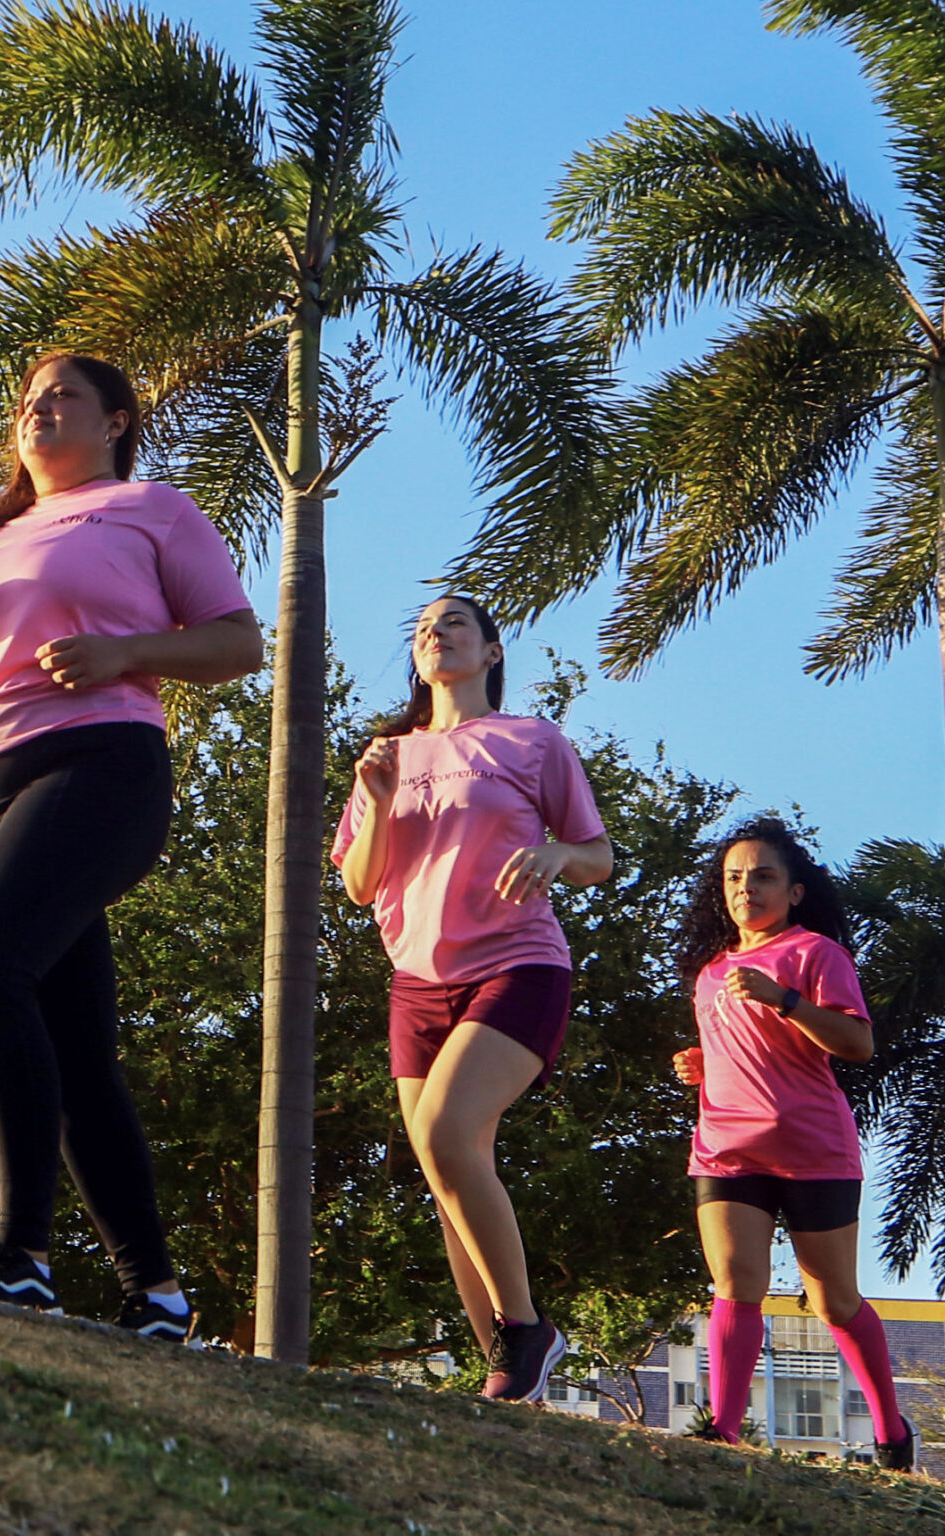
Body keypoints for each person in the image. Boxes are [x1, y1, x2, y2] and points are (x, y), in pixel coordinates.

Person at [0, 353, 265, 1343]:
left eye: (62, 396)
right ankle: (156, 1292)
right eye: (27, 402)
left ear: (115, 421)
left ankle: (21, 1256)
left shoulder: (148, 506)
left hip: (100, 764)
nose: (39, 412)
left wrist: (124, 654)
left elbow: (238, 644)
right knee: (71, 1043)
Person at [333, 595, 613, 1399]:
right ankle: (504, 1367)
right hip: (418, 983)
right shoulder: (387, 754)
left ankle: (525, 1330)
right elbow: (358, 884)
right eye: (422, 628)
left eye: (455, 622)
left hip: (517, 966)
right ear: (417, 661)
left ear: (492, 652)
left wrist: (557, 854)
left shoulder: (532, 741)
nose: (436, 633)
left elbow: (597, 856)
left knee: (451, 1137)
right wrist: (380, 801)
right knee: (450, 1171)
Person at [670, 818, 910, 1469]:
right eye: (734, 877)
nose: (746, 888)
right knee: (735, 1281)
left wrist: (788, 1001)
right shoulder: (711, 975)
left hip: (813, 1150)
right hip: (725, 1148)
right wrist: (701, 1062)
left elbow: (857, 1045)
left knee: (832, 1299)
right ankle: (721, 1431)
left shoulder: (815, 954)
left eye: (763, 875)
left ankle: (891, 1431)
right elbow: (741, 1052)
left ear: (795, 891)